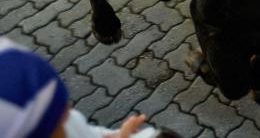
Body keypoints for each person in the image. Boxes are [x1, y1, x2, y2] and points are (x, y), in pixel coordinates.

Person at [0, 37, 181, 137]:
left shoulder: (67, 122)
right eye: (55, 116)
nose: (70, 108)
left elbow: (85, 132)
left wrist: (114, 137)